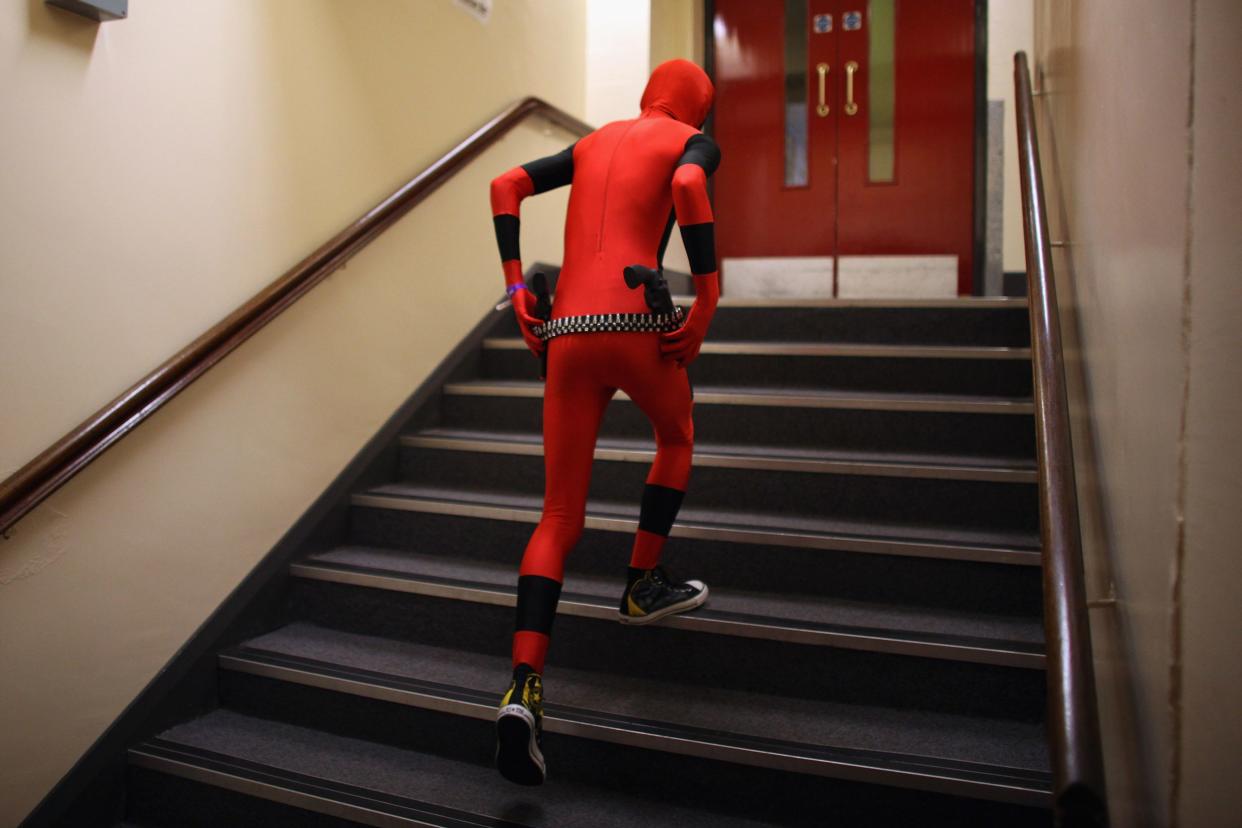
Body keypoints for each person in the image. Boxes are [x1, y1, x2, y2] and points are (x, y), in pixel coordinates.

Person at [487, 58, 721, 786]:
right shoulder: (691, 141)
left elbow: (506, 184)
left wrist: (520, 288)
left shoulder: (593, 143)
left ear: (646, 96)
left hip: (564, 335)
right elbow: (687, 186)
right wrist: (706, 299)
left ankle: (523, 688)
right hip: (634, 322)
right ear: (696, 112)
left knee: (557, 515)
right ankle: (642, 580)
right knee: (677, 435)